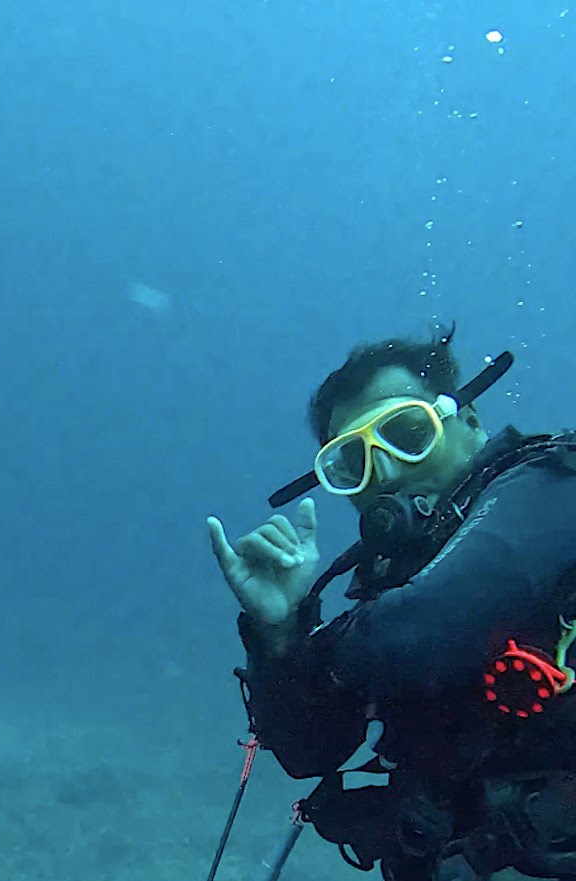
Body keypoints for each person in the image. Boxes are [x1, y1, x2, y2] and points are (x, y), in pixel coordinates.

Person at [207, 327, 576, 881]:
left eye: (408, 433)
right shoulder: (393, 585)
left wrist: (321, 649)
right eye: (351, 463)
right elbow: (311, 750)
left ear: (469, 422)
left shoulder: (550, 484)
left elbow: (419, 631)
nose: (385, 470)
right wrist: (281, 630)